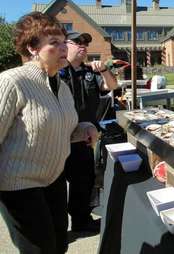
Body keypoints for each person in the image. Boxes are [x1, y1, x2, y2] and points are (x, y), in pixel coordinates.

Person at [0, 12, 97, 253]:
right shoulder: (12, 81)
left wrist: (84, 128)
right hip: (19, 185)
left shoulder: (61, 86)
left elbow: (60, 129)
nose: (64, 47)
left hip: (53, 181)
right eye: (54, 43)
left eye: (64, 41)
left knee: (59, 246)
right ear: (33, 48)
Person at [60, 31, 117, 232]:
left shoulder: (90, 72)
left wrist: (104, 70)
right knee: (57, 186)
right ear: (65, 45)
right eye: (78, 42)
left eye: (85, 43)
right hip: (59, 137)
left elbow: (112, 86)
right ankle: (59, 228)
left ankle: (80, 221)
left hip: (85, 137)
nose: (83, 46)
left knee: (84, 181)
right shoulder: (56, 72)